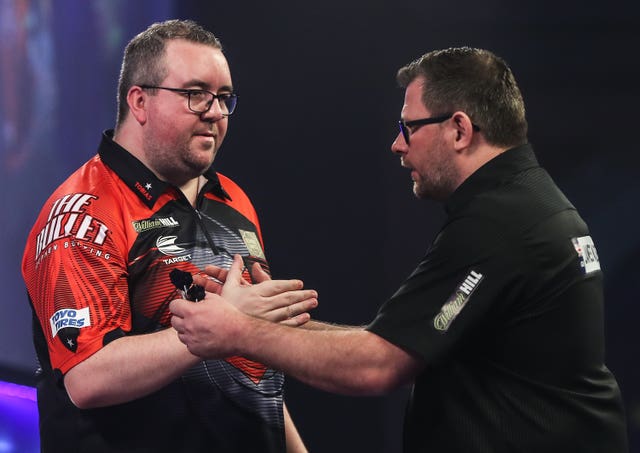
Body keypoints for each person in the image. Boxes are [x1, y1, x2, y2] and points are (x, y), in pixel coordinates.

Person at [170, 47, 629, 452]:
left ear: (459, 130)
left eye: (408, 127)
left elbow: (377, 365)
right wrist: (265, 323)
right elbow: (399, 343)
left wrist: (237, 333)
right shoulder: (527, 201)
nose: (397, 145)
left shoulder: (501, 223)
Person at [21, 19, 317, 453]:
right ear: (139, 101)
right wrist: (219, 326)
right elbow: (87, 376)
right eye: (196, 94)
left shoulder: (233, 199)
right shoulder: (82, 212)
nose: (215, 112)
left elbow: (254, 370)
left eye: (223, 98)